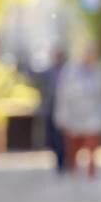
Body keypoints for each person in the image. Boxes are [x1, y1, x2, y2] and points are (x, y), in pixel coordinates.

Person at [53, 46, 101, 178]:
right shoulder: (70, 69)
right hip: (74, 116)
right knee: (73, 147)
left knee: (92, 144)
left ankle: (91, 172)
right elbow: (62, 94)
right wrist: (61, 116)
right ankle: (72, 171)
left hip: (94, 116)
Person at [39, 46, 69, 174]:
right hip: (50, 108)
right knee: (52, 136)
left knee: (61, 137)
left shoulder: (68, 71)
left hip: (65, 109)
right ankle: (58, 160)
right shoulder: (49, 71)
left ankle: (64, 162)